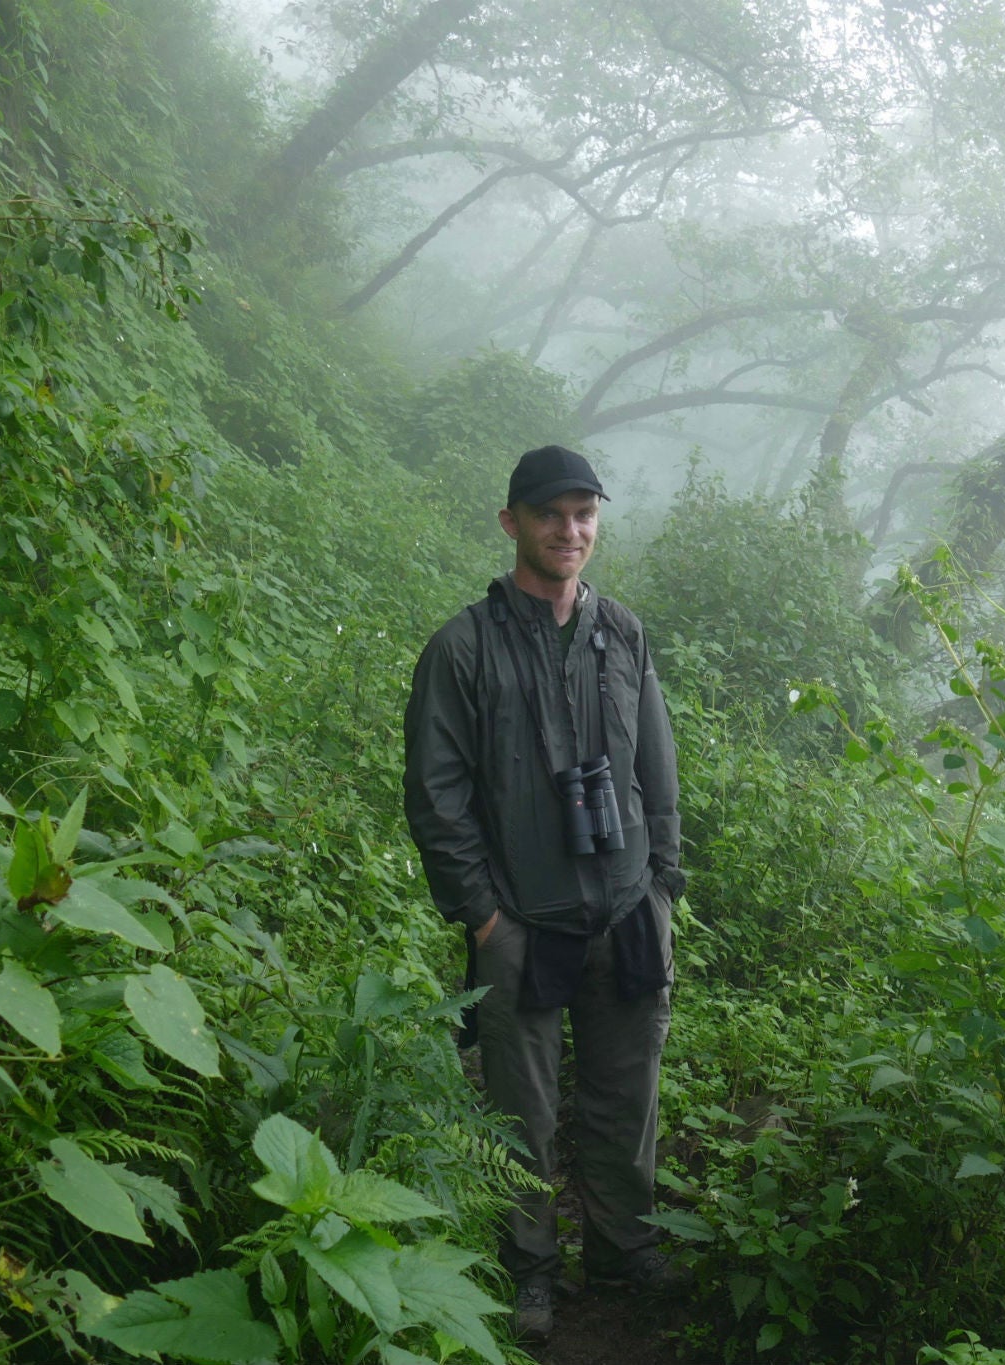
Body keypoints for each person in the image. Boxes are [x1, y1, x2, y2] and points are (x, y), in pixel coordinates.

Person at [402, 445, 685, 1340]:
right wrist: (483, 914)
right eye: (552, 514)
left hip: (627, 907)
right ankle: (530, 1269)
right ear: (512, 522)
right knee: (522, 1111)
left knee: (625, 1093)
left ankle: (623, 1249)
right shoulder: (463, 648)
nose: (571, 530)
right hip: (523, 919)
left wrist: (664, 885)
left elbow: (657, 766)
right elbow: (436, 796)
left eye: (584, 514)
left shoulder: (623, 632)